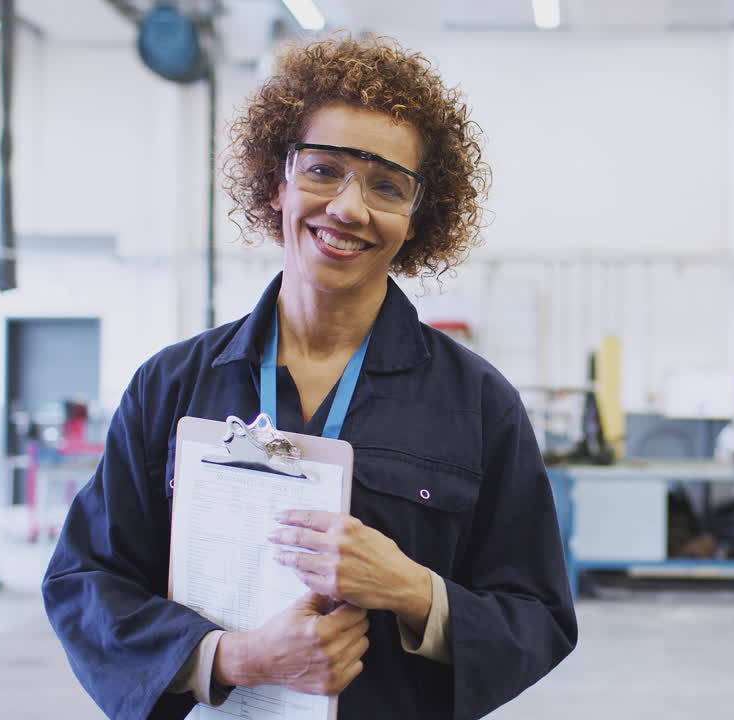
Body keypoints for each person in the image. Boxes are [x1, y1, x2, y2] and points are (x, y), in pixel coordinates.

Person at [43, 32, 577, 720]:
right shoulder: (171, 387)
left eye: (387, 185)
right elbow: (86, 582)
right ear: (277, 181)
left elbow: (538, 619)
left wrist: (414, 590)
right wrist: (236, 658)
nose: (349, 208)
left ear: (417, 220)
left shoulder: (476, 405)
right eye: (323, 169)